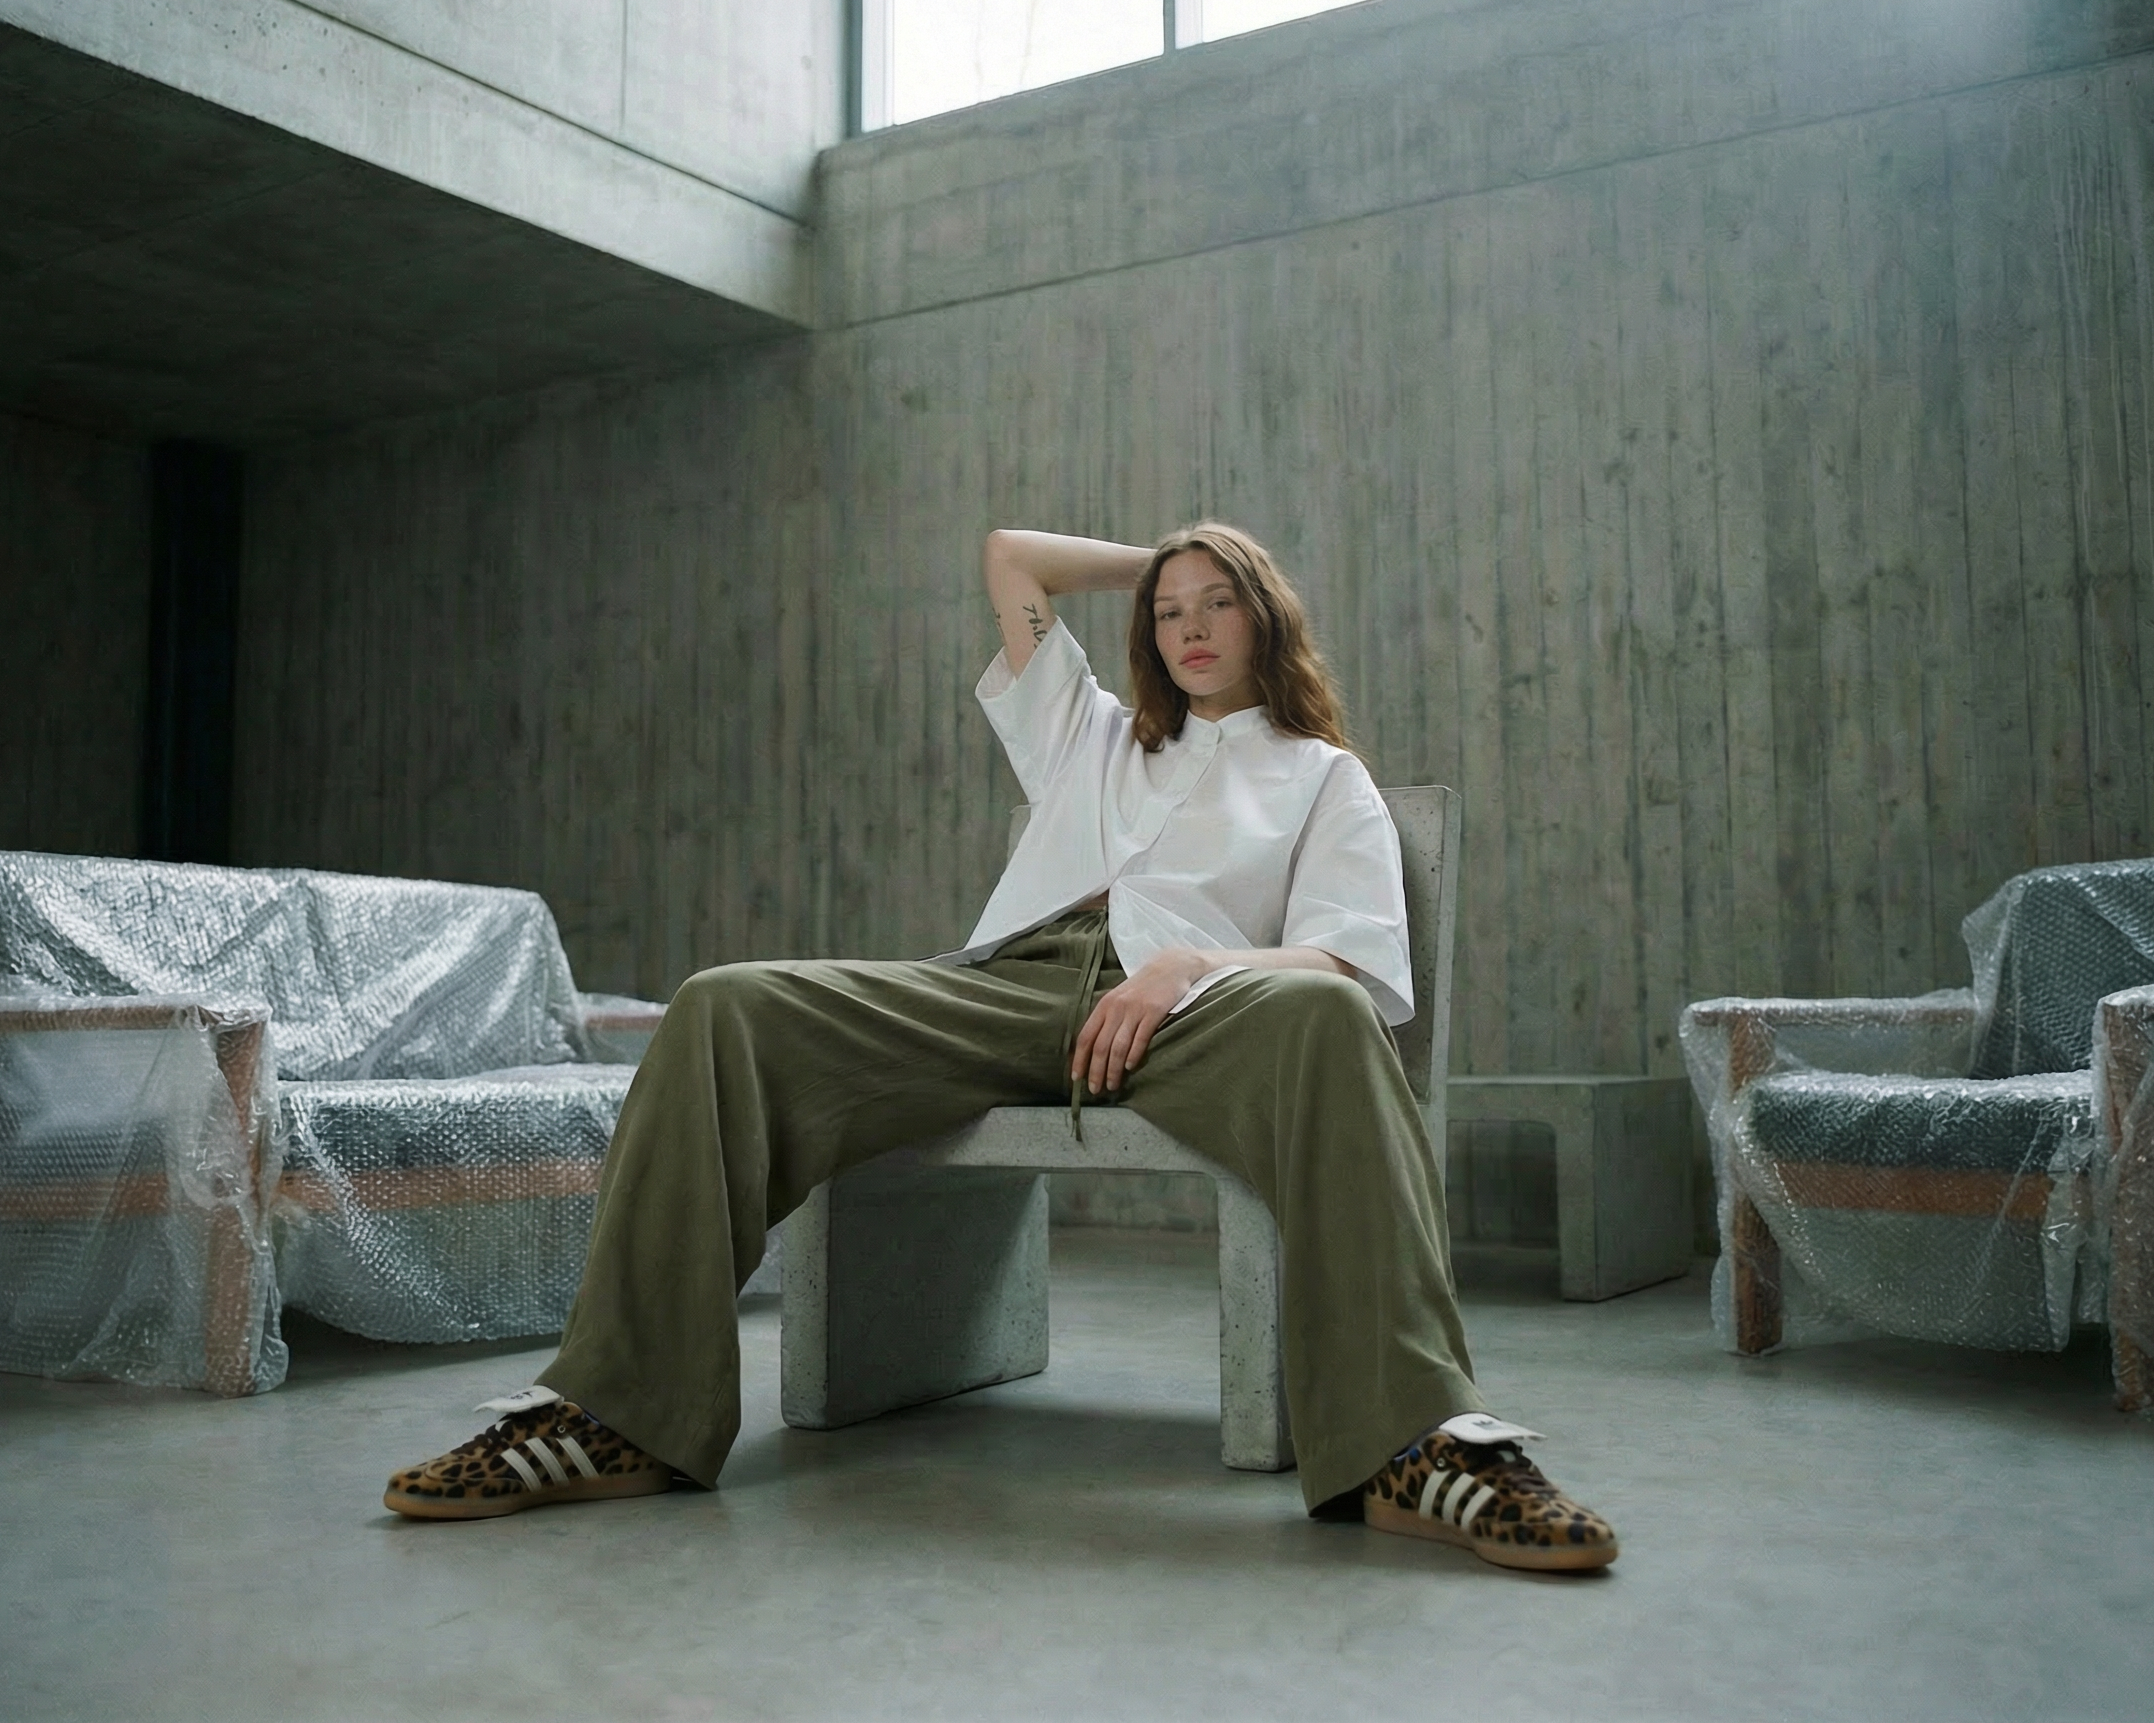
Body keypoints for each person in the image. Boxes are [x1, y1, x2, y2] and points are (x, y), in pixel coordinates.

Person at [384, 524, 1619, 1573]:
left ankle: (1415, 1442)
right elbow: (1010, 556)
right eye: (1170, 610)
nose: (1190, 626)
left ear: (1267, 616)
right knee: (723, 1005)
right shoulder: (1090, 735)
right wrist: (1164, 558)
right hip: (1002, 989)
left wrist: (1189, 965)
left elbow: (1348, 963)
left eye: (1220, 601)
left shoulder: (1321, 777)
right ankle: (614, 1412)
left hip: (1191, 1015)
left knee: (1331, 1017)